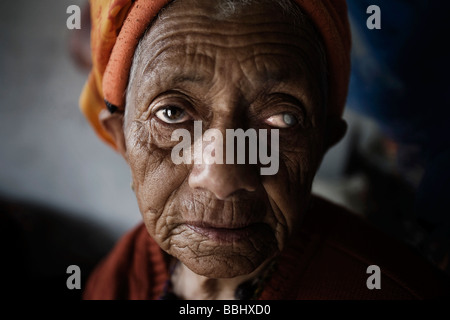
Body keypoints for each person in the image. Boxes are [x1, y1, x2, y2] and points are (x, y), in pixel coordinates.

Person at [79, 0, 449, 299]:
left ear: (321, 143)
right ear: (122, 141)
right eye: (172, 113)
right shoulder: (124, 273)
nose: (223, 178)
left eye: (283, 118)